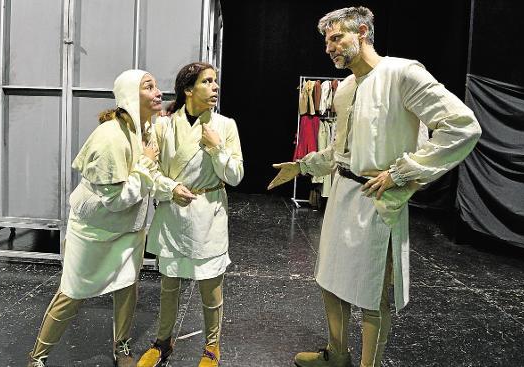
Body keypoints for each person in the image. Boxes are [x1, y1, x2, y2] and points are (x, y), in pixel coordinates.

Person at [268, 6, 481, 367]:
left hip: (379, 199)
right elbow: (342, 152)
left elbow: (462, 126)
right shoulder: (345, 88)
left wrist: (404, 172)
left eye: (336, 38)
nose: (329, 48)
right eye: (326, 41)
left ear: (362, 32)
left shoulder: (402, 73)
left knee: (371, 293)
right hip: (343, 196)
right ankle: (337, 355)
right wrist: (303, 165)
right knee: (329, 279)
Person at [27, 69, 182, 367]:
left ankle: (121, 346)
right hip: (94, 230)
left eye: (156, 86)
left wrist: (171, 187)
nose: (158, 92)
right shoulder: (109, 137)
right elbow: (116, 200)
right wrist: (146, 164)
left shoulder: (145, 129)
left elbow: (153, 174)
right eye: (148, 87)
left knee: (127, 287)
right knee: (72, 292)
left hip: (129, 230)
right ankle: (37, 357)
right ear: (129, 96)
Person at [137, 62, 244, 367]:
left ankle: (212, 347)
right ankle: (162, 341)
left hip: (209, 213)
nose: (215, 87)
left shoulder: (225, 126)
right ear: (188, 89)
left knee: (211, 289)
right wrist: (170, 188)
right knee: (169, 286)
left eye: (215, 81)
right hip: (174, 214)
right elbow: (150, 171)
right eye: (207, 81)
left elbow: (236, 175)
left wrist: (215, 149)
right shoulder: (164, 126)